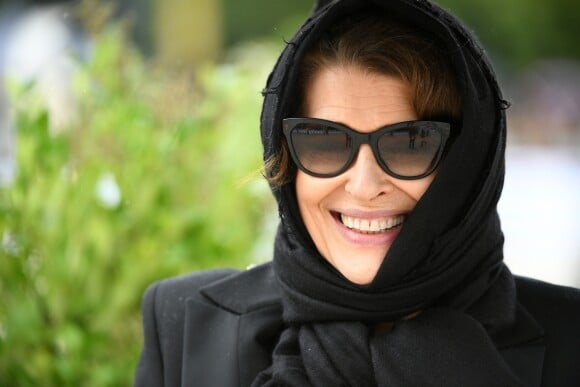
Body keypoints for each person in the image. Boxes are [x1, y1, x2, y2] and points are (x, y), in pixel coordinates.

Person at [134, 0, 580, 386]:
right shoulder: (185, 323)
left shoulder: (569, 341)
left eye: (410, 144)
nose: (365, 186)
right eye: (325, 141)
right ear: (286, 159)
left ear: (465, 166)